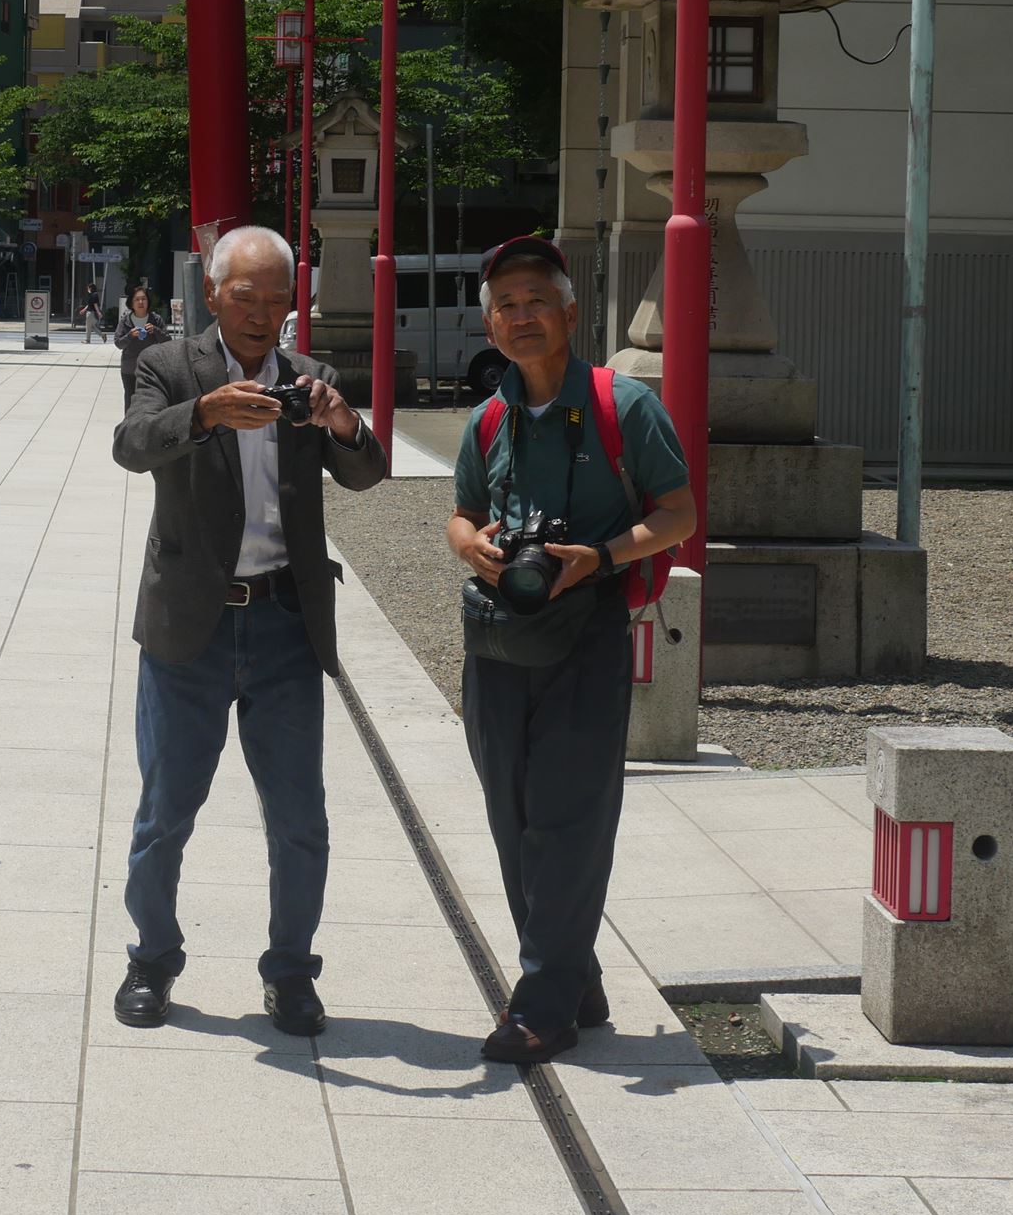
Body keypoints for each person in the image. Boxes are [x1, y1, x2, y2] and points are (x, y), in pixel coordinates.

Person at [111, 226, 388, 1036]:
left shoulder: (310, 377)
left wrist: (341, 423)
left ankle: (292, 972)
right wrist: (203, 415)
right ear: (212, 295)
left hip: (284, 625)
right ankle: (151, 960)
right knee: (167, 807)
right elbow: (131, 446)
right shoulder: (167, 366)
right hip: (190, 625)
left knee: (300, 816)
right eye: (247, 297)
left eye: (278, 299)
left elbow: (369, 474)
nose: (264, 314)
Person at [447, 237, 697, 1064]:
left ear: (568, 313)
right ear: (490, 325)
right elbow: (459, 512)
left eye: (534, 301)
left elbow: (678, 513)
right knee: (510, 817)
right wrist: (472, 546)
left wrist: (605, 557)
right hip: (496, 637)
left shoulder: (623, 406)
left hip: (586, 634)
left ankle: (542, 1005)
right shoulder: (490, 416)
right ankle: (574, 977)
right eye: (506, 306)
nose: (521, 317)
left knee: (568, 818)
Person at [111, 284, 170, 402]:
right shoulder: (125, 321)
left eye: (144, 299)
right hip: (130, 369)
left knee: (149, 402)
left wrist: (156, 331)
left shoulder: (156, 319)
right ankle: (130, 421)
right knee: (130, 400)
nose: (141, 302)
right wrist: (130, 336)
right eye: (137, 299)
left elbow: (168, 341)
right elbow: (118, 343)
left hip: (151, 369)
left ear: (148, 302)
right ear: (131, 303)